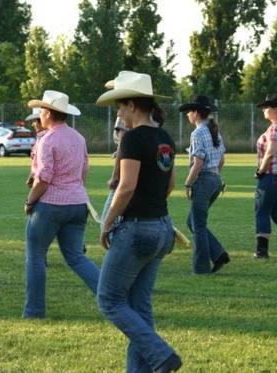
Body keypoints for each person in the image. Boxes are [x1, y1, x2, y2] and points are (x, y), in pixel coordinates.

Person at [96, 71, 182, 372]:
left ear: (132, 104)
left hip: (136, 230)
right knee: (138, 306)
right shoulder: (164, 137)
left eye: (120, 106)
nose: (118, 113)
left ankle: (162, 354)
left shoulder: (132, 139)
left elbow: (126, 186)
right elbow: (170, 183)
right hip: (162, 228)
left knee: (108, 300)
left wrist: (107, 223)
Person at [22, 90, 100, 318]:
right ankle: (112, 296)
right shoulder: (79, 137)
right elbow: (84, 170)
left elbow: (44, 178)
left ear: (47, 113)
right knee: (76, 257)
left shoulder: (48, 140)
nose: (39, 115)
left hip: (50, 205)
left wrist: (30, 201)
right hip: (78, 204)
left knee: (35, 256)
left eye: (41, 111)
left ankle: (34, 311)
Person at [178, 95, 229, 274]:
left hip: (204, 181)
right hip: (215, 180)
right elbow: (221, 159)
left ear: (196, 113)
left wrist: (187, 184)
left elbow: (198, 163)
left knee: (197, 225)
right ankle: (219, 254)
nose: (187, 115)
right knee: (192, 221)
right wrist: (215, 176)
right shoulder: (214, 130)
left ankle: (201, 269)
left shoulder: (197, 133)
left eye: (189, 111)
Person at [252, 93, 277, 259]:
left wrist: (260, 171)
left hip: (270, 176)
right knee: (275, 213)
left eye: (266, 107)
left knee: (261, 212)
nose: (263, 110)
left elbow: (270, 153)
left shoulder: (275, 128)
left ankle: (262, 251)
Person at [100, 116, 128, 226]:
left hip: (124, 175)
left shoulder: (124, 117)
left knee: (106, 224)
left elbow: (122, 145)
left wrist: (115, 176)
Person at [25, 108, 46, 188]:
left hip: (43, 183)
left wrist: (32, 176)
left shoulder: (44, 138)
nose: (32, 124)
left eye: (34, 121)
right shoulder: (40, 136)